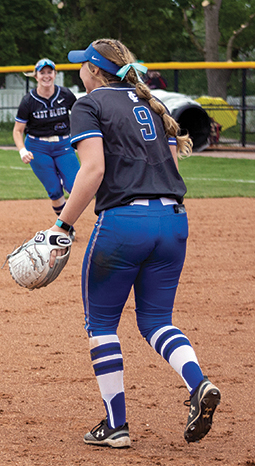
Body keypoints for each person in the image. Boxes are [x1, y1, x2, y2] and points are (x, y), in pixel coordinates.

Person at [60, 39, 220, 448]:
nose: (79, 70)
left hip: (124, 224)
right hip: (173, 223)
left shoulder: (88, 103)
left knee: (101, 325)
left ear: (95, 71)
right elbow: (168, 162)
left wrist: (62, 225)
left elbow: (93, 170)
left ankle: (116, 426)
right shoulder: (153, 103)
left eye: (83, 65)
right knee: (156, 322)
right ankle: (198, 383)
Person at [13, 58, 81, 233]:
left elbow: (81, 115)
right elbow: (17, 130)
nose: (46, 76)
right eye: (42, 72)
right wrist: (22, 150)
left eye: (49, 72)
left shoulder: (65, 95)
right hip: (38, 147)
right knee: (54, 190)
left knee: (75, 187)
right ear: (36, 76)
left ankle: (69, 223)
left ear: (55, 74)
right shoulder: (29, 101)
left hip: (63, 145)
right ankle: (67, 228)